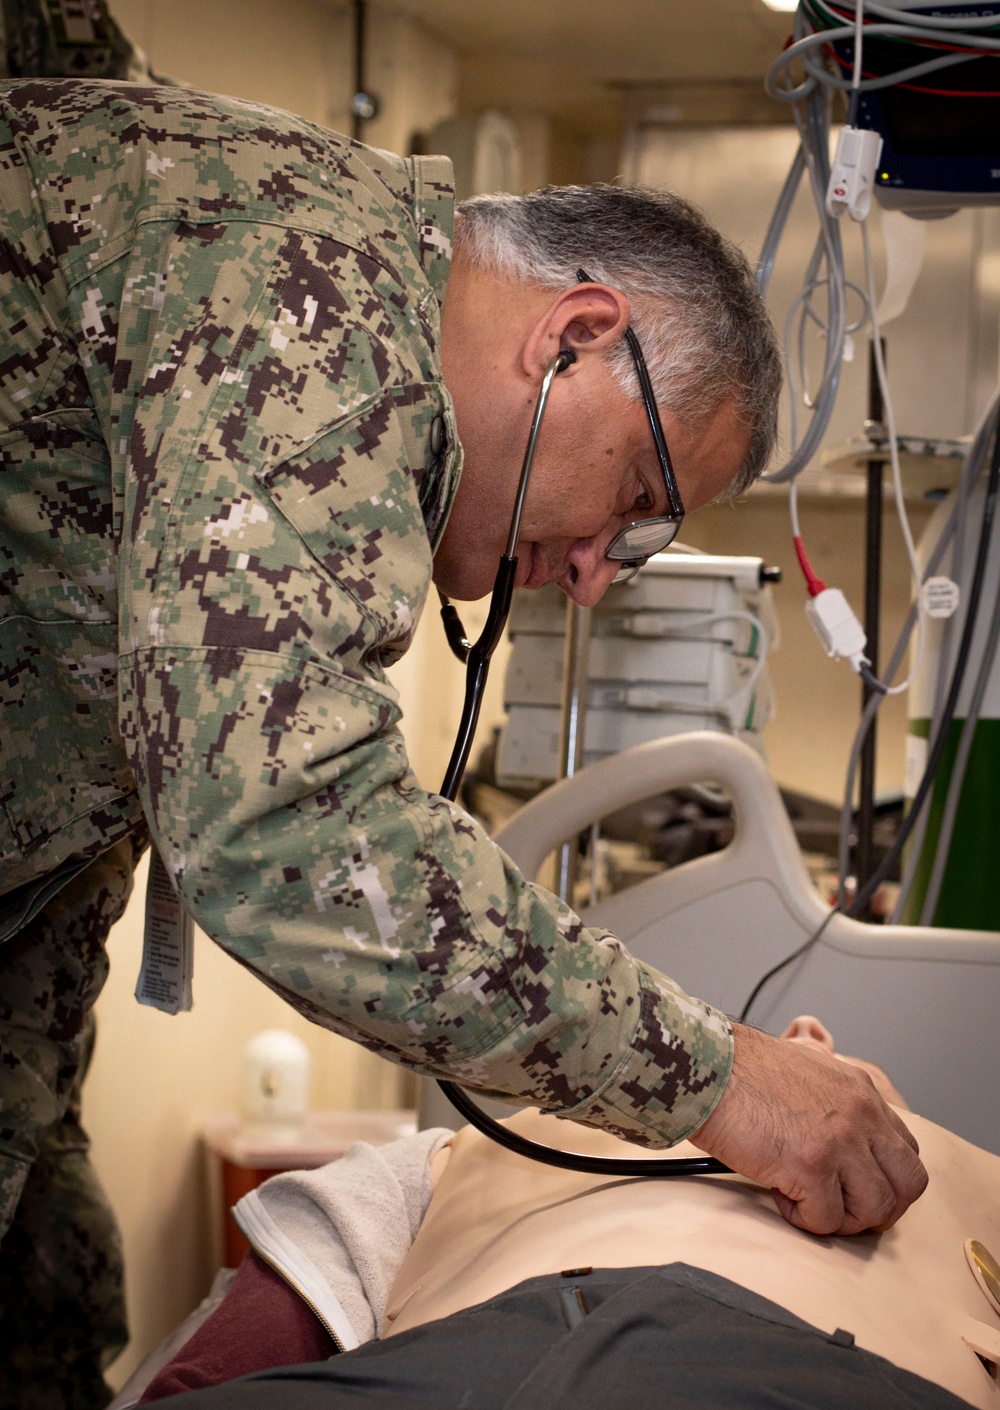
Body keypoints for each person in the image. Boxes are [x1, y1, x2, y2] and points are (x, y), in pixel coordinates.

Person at [0, 77, 926, 1402]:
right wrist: (722, 1076)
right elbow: (289, 828)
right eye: (642, 502)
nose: (605, 571)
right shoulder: (310, 297)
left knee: (50, 1296)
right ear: (575, 337)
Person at [124, 1021, 999, 1410]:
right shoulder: (475, 1151)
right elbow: (251, 1340)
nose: (809, 1036)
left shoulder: (966, 1183)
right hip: (458, 1366)